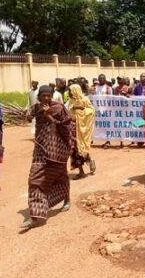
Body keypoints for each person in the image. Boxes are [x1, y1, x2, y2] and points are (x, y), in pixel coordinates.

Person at [23, 86, 72, 228]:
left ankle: (67, 198)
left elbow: (66, 125)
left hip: (57, 149)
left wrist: (48, 115)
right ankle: (36, 215)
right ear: (39, 97)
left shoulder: (59, 108)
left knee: (61, 176)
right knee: (35, 179)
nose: (46, 98)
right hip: (40, 148)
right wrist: (30, 113)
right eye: (43, 96)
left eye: (48, 96)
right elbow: (28, 117)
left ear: (52, 96)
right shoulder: (36, 107)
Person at [67, 84, 96, 180]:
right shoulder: (70, 102)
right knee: (75, 149)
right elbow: (68, 113)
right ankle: (81, 170)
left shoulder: (85, 100)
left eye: (71, 91)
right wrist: (73, 109)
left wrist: (82, 109)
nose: (69, 93)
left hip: (81, 129)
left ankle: (88, 161)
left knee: (81, 147)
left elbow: (92, 111)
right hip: (72, 129)